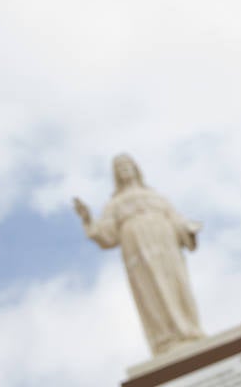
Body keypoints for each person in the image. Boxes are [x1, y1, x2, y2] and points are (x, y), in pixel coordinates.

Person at [73, 153, 204, 356]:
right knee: (149, 290)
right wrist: (88, 218)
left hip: (165, 243)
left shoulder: (156, 197)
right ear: (115, 174)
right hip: (136, 249)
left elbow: (176, 219)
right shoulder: (114, 204)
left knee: (176, 283)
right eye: (119, 167)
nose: (124, 169)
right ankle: (166, 339)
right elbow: (107, 235)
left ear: (135, 168)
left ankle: (189, 330)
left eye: (126, 164)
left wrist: (187, 229)